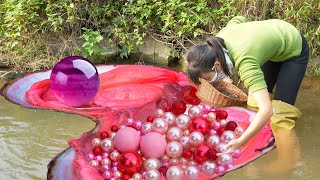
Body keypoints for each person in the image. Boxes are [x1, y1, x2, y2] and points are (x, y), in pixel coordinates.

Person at [187, 16, 309, 153]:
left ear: (217, 64)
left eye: (208, 78)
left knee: (280, 115)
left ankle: (287, 162)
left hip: (293, 48)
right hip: (272, 46)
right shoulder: (215, 43)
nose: (210, 82)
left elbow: (266, 110)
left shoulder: (245, 62)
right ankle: (266, 136)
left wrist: (241, 141)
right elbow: (238, 19)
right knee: (253, 102)